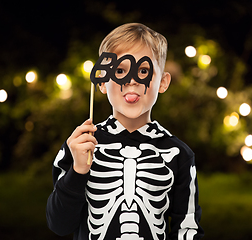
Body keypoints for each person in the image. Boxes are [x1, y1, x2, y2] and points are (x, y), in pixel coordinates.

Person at [46, 23, 204, 240]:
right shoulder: (81, 146)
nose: (132, 80)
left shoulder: (179, 154)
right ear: (101, 81)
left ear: (163, 82)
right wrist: (77, 171)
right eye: (119, 70)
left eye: (143, 71)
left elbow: (187, 229)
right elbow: (59, 225)